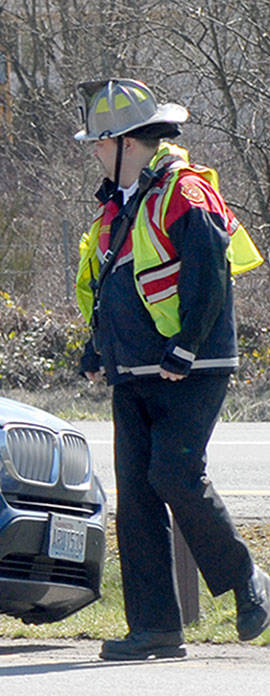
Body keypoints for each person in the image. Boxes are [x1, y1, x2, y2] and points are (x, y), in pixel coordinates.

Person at [72, 78, 270, 660]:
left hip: (192, 365)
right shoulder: (118, 203)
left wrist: (186, 346)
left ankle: (246, 580)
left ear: (128, 142)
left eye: (99, 143)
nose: (94, 153)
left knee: (174, 478)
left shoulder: (185, 191)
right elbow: (113, 282)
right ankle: (155, 627)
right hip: (132, 369)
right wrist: (96, 348)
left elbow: (208, 272)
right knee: (135, 498)